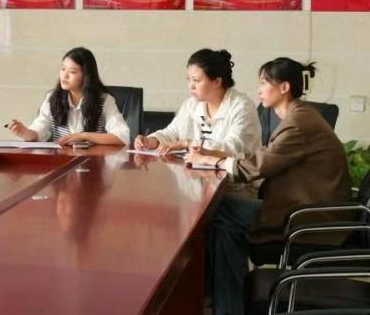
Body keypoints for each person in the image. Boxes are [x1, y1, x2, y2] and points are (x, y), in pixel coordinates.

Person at [185, 58, 351, 315]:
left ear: (284, 87)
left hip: (307, 220)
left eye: (264, 83)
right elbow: (265, 158)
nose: (259, 90)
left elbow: (255, 168)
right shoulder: (299, 115)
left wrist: (209, 160)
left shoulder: (299, 123)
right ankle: (228, 307)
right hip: (300, 209)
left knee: (217, 208)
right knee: (224, 228)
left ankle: (219, 304)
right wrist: (213, 154)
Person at [135, 49, 261, 161]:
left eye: (196, 80)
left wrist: (187, 144)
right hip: (196, 173)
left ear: (217, 81)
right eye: (188, 79)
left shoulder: (242, 107)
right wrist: (152, 141)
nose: (191, 86)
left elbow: (233, 148)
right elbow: (173, 132)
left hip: (233, 177)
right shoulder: (191, 104)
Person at [7, 47, 129, 146]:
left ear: (86, 76)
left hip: (93, 163)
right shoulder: (52, 98)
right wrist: (24, 132)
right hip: (62, 162)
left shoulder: (104, 101)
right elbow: (39, 131)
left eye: (72, 72)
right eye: (63, 69)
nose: (64, 76)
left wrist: (84, 136)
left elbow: (122, 137)